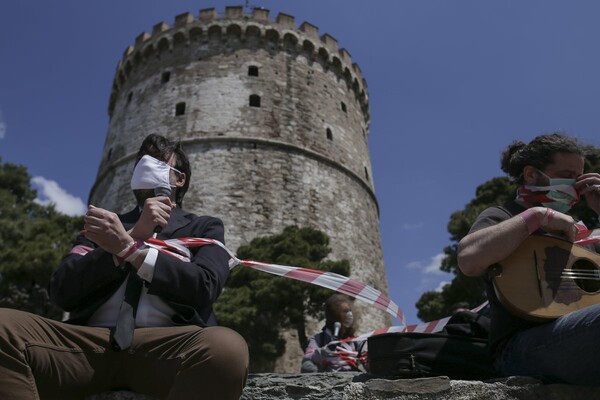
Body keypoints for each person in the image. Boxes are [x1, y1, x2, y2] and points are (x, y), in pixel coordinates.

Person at [0, 134, 249, 400]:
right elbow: (62, 291)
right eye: (141, 160)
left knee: (226, 348)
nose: (146, 165)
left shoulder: (204, 227)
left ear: (180, 179)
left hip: (170, 346)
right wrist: (130, 237)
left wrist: (131, 249)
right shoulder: (104, 226)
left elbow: (204, 287)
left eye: (157, 161)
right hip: (89, 343)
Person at [457, 132, 600, 386]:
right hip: (519, 349)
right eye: (567, 176)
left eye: (579, 178)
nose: (576, 186)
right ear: (531, 174)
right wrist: (537, 217)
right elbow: (469, 259)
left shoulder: (582, 231)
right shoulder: (503, 215)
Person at [301, 294, 364, 372]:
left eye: (350, 311)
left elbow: (367, 362)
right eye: (345, 311)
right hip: (327, 377)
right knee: (306, 366)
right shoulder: (320, 338)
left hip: (352, 377)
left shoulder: (356, 341)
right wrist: (325, 351)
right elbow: (307, 358)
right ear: (334, 315)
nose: (349, 315)